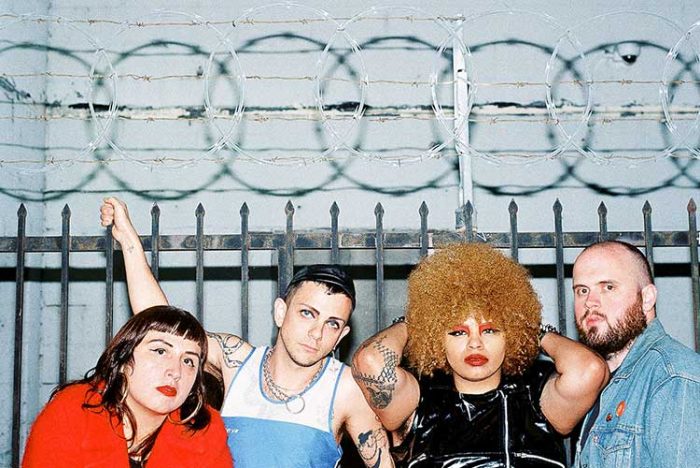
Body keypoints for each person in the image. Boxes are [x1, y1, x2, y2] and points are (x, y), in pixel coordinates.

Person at [100, 197, 393, 468]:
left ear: (341, 335)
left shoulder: (346, 389)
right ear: (280, 312)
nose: (317, 333)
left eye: (332, 323)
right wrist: (129, 242)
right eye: (307, 313)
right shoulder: (238, 361)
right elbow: (162, 326)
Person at [352, 242, 609, 467]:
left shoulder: (537, 399)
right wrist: (416, 322)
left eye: (490, 330)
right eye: (458, 332)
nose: (475, 344)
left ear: (510, 334)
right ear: (436, 338)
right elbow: (370, 361)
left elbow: (590, 369)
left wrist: (533, 330)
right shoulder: (418, 402)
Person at [22, 305, 233, 468]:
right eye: (160, 351)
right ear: (123, 360)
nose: (175, 372)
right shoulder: (73, 411)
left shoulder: (205, 430)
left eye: (188, 361)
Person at [572, 240, 700, 467]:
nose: (590, 302)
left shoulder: (674, 378)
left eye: (608, 287)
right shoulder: (603, 383)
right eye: (582, 290)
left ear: (647, 298)